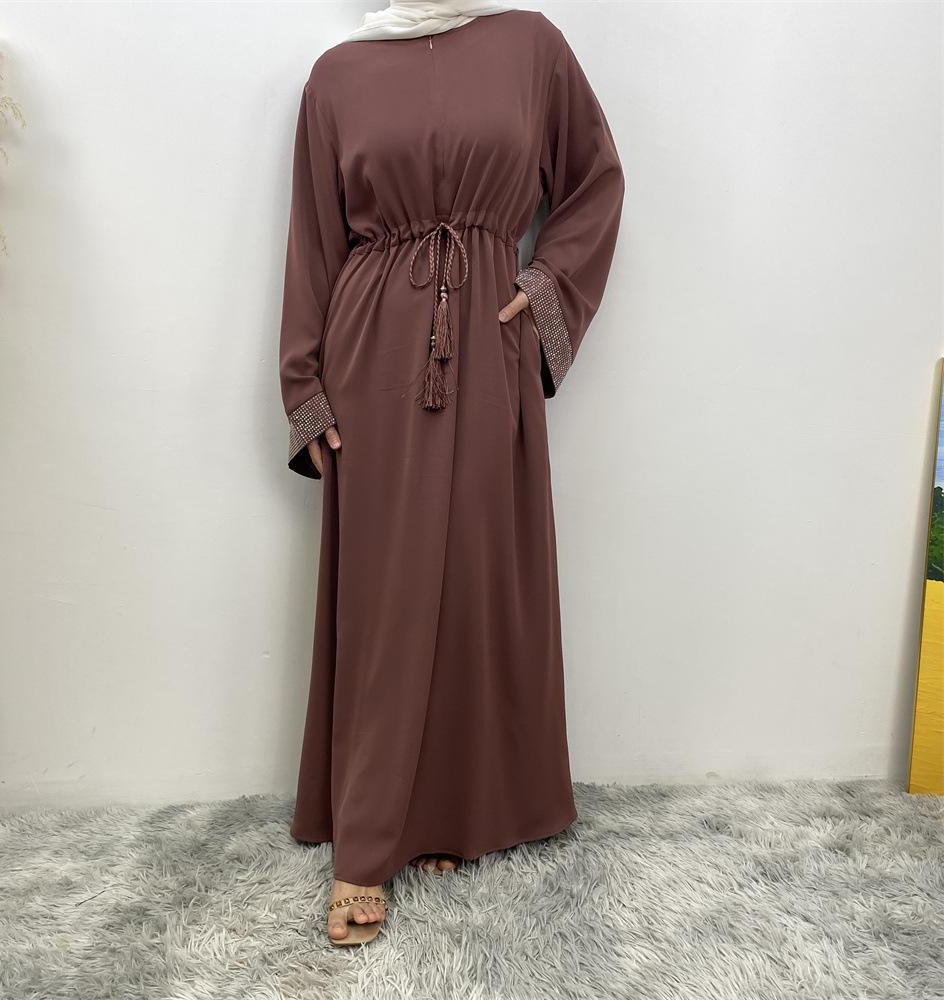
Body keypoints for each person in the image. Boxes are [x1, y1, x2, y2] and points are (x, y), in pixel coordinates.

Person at [278, 0, 625, 945]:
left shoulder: (532, 46)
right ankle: (365, 842)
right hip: (371, 353)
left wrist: (545, 286)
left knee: (475, 572)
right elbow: (315, 240)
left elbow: (595, 180)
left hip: (487, 347)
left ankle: (448, 808)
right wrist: (304, 382)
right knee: (387, 595)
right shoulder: (337, 74)